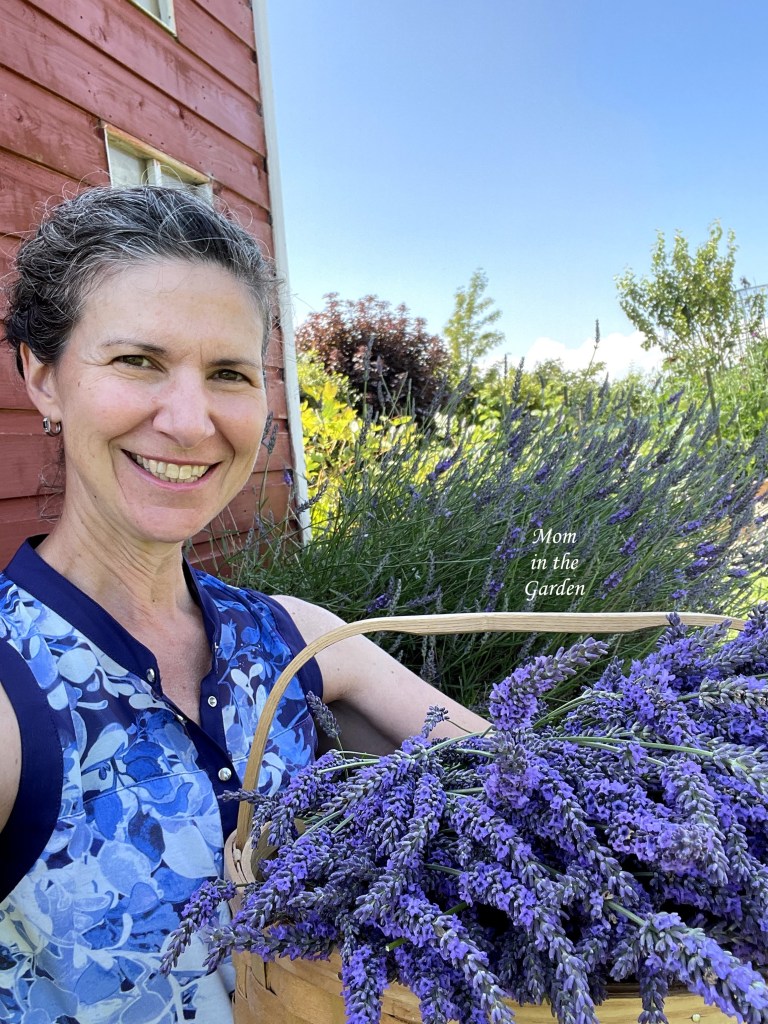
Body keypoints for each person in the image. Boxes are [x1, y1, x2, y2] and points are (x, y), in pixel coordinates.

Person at [0, 185, 486, 1023]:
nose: (191, 422)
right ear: (43, 377)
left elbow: (539, 787)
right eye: (137, 361)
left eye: (228, 373)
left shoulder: (296, 638)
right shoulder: (13, 694)